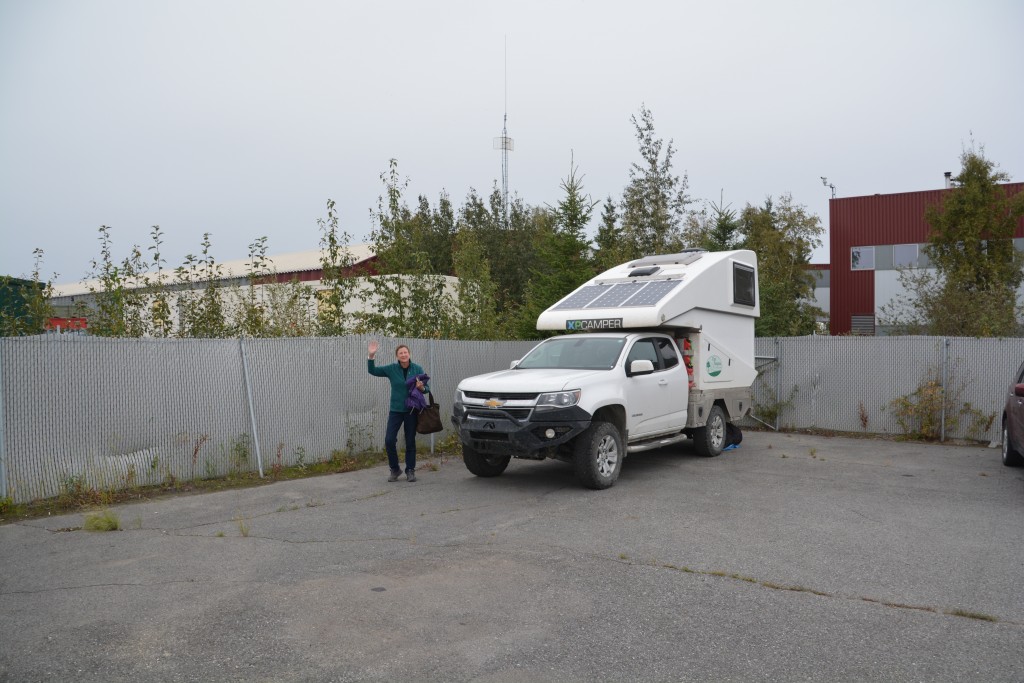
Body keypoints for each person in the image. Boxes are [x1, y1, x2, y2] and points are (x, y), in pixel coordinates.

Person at [367, 340, 429, 482]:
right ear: (397, 356)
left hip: (412, 410)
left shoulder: (417, 369)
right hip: (396, 410)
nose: (403, 355)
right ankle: (395, 469)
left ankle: (410, 470)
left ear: (409, 354)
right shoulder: (392, 369)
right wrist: (371, 356)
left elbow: (427, 389)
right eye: (400, 353)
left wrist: (421, 388)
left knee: (410, 441)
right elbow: (373, 371)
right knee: (389, 440)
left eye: (405, 352)